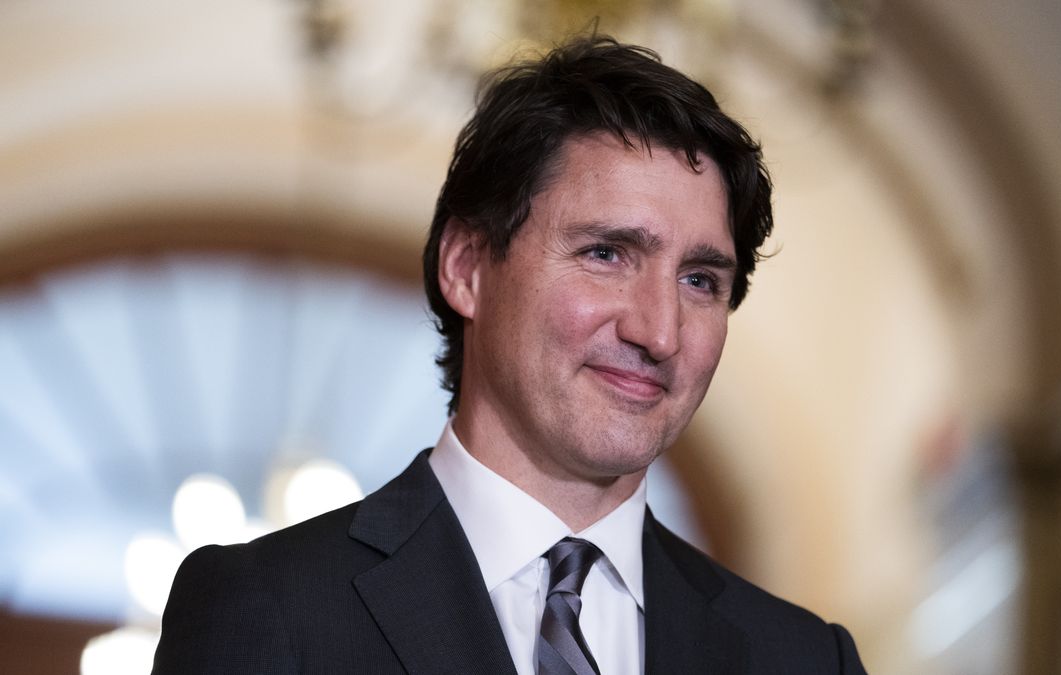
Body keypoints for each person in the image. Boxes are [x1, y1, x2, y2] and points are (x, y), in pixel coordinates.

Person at [153, 34, 868, 674]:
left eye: (700, 280)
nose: (659, 332)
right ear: (466, 267)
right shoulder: (269, 607)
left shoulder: (805, 657)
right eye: (606, 253)